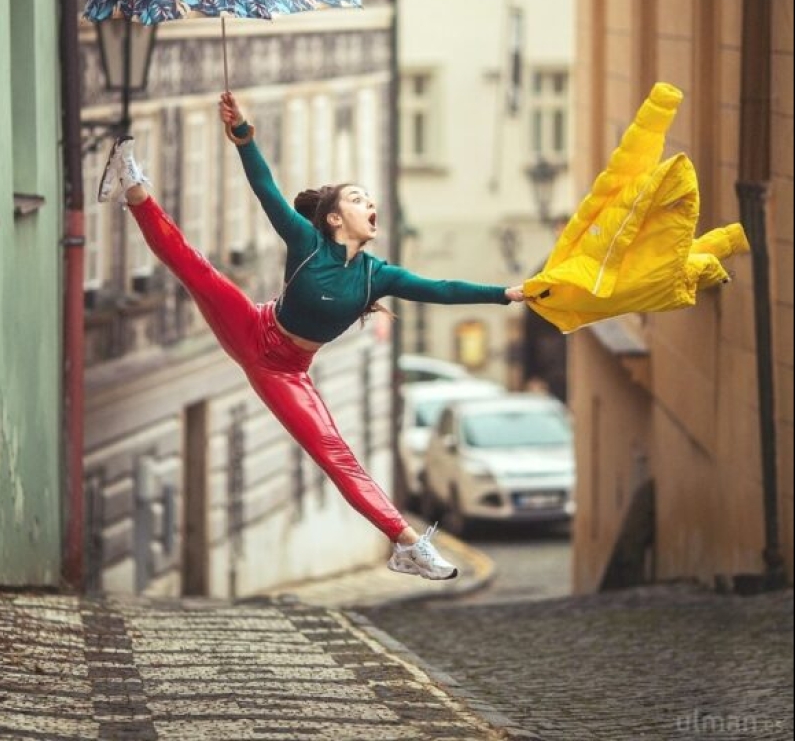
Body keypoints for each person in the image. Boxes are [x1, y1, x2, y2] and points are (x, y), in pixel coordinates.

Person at [98, 91, 526, 581]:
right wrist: (243, 136)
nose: (371, 204)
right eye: (358, 198)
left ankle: (406, 545)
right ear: (334, 218)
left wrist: (506, 293)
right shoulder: (306, 243)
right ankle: (132, 183)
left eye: (370, 198)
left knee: (334, 452)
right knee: (195, 267)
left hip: (285, 370)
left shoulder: (376, 275)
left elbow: (443, 289)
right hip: (253, 329)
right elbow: (265, 189)